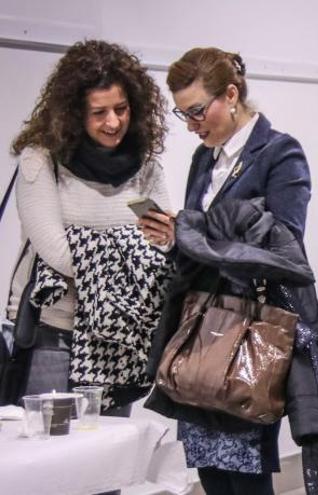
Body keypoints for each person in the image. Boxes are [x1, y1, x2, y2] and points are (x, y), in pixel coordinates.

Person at [142, 47, 318, 495]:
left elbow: (282, 247)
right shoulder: (203, 158)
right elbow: (200, 249)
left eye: (196, 111)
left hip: (252, 334)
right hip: (202, 333)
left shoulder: (280, 153)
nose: (191, 125)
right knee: (212, 474)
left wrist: (192, 232)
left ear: (231, 95)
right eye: (183, 114)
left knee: (246, 476)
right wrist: (174, 239)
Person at [7, 39, 172, 415]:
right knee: (50, 449)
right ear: (73, 114)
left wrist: (120, 248)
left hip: (119, 338)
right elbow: (57, 251)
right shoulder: (41, 161)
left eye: (121, 109)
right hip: (54, 330)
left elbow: (161, 246)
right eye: (98, 113)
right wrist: (131, 250)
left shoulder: (143, 165)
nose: (113, 122)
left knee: (106, 456)